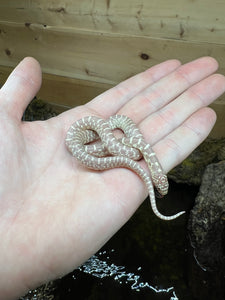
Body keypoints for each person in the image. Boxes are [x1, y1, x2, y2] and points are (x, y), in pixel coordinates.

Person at [0, 56, 224, 299]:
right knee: (117, 149)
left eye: (159, 188)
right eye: (159, 188)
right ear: (159, 178)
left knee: (119, 149)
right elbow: (118, 145)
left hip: (109, 136)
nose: (160, 189)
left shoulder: (137, 150)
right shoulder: (126, 148)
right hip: (96, 135)